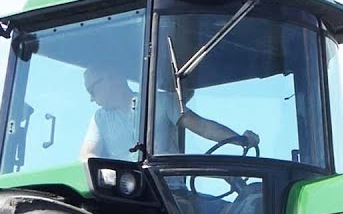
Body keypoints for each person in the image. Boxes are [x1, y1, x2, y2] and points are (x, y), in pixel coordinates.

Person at [79, 67, 258, 160]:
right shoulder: (100, 119)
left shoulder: (161, 102)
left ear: (111, 77)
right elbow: (87, 155)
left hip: (167, 191)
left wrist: (239, 140)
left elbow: (203, 127)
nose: (90, 99)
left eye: (91, 90)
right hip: (125, 196)